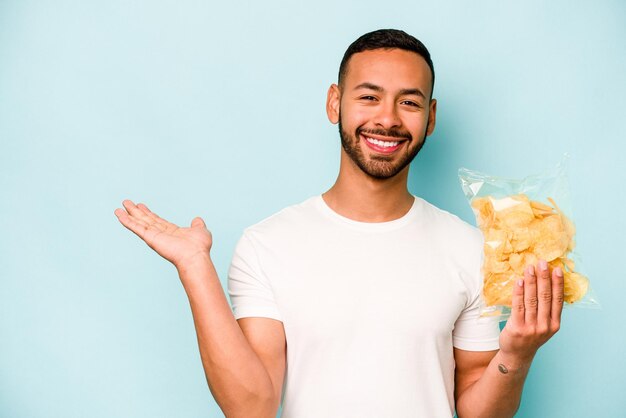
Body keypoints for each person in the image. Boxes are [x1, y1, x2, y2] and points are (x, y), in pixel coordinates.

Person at [115, 29, 564, 418]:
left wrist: (516, 354)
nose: (387, 118)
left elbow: (476, 409)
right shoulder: (267, 245)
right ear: (335, 103)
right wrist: (195, 268)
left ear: (430, 118)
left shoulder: (469, 247)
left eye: (408, 102)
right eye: (368, 97)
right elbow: (250, 407)